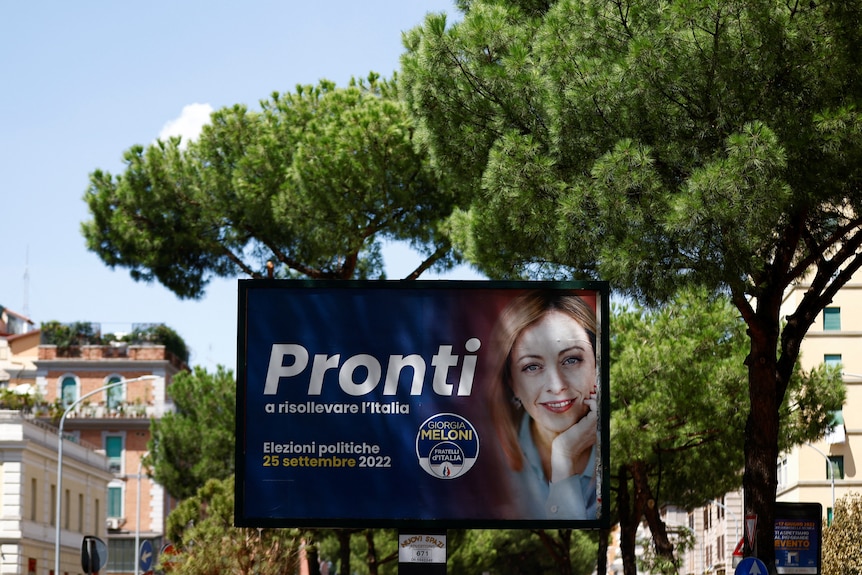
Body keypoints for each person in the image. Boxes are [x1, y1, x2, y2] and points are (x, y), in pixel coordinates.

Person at [487, 290, 599, 519]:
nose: (557, 386)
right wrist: (565, 455)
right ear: (512, 383)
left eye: (571, 360)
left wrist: (565, 456)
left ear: (597, 365)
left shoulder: (625, 445)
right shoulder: (489, 469)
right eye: (532, 367)